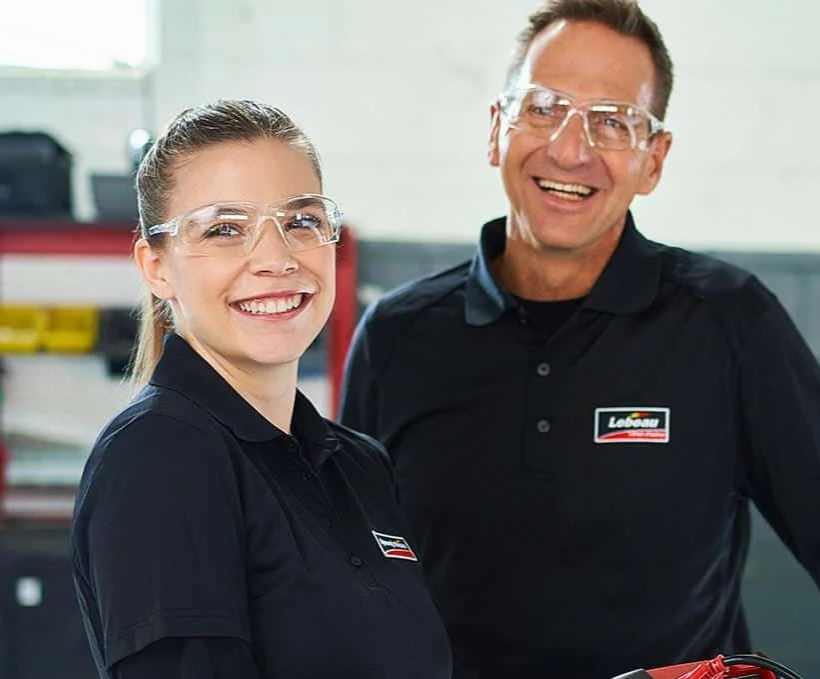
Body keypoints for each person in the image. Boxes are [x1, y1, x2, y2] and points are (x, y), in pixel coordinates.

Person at [337, 2, 820, 679]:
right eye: (542, 107)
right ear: (496, 129)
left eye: (613, 121)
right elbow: (347, 585)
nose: (570, 148)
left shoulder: (731, 324)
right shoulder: (395, 337)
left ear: (654, 159)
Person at [70, 99, 453, 679]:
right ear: (156, 266)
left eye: (302, 221)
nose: (275, 259)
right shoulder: (161, 457)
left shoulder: (358, 466)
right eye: (225, 229)